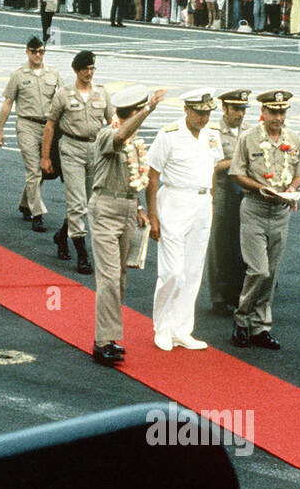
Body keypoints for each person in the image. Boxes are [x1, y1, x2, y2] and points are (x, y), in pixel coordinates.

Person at [88, 86, 165, 365]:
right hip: (105, 209)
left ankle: (109, 337)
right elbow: (120, 136)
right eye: (138, 114)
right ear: (132, 114)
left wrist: (140, 208)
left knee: (119, 277)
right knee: (108, 277)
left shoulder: (133, 142)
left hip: (127, 209)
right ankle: (101, 343)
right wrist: (150, 108)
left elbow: (136, 178)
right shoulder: (109, 134)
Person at [230, 91, 300, 349]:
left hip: (280, 213)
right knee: (258, 270)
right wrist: (258, 187)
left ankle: (261, 326)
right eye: (273, 112)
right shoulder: (248, 138)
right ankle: (241, 320)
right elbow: (237, 173)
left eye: (282, 112)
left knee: (271, 273)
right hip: (255, 208)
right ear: (263, 112)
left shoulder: (294, 138)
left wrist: (291, 190)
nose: (278, 118)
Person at [145, 90, 220, 352]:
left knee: (192, 271)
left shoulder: (212, 135)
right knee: (173, 272)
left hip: (201, 204)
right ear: (186, 110)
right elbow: (152, 177)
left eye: (207, 113)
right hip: (174, 201)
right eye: (199, 112)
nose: (203, 117)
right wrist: (153, 216)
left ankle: (182, 329)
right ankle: (162, 328)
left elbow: (212, 170)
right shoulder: (168, 135)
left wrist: (211, 201)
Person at [42, 50, 113, 273]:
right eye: (85, 69)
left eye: (92, 69)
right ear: (76, 70)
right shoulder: (64, 94)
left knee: (87, 203)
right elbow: (51, 125)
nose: (89, 73)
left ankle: (62, 235)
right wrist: (45, 157)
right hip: (71, 148)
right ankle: (82, 254)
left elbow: (112, 123)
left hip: (95, 150)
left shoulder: (101, 94)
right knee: (77, 203)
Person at [0, 36, 62, 232]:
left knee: (42, 170)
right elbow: (8, 102)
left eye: (41, 51)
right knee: (33, 169)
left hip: (48, 127)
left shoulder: (53, 74)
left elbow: (62, 100)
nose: (38, 55)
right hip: (27, 125)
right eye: (34, 51)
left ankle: (26, 203)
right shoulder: (18, 75)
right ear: (27, 52)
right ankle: (37, 213)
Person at [206, 89, 251, 315]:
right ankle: (218, 296)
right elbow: (211, 165)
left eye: (243, 110)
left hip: (243, 191)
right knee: (218, 244)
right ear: (224, 109)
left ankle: (237, 290)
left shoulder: (249, 131)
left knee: (240, 243)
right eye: (236, 109)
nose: (240, 114)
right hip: (222, 190)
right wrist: (235, 160)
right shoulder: (214, 132)